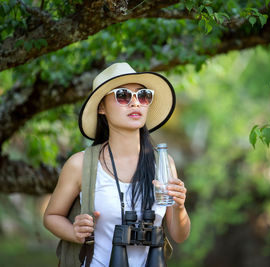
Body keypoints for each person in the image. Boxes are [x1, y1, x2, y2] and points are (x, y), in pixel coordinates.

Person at [43, 62, 190, 266]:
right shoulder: (81, 164)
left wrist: (180, 206)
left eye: (143, 95)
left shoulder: (163, 163)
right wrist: (74, 232)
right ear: (101, 107)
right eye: (122, 95)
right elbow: (51, 216)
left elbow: (180, 235)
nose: (135, 103)